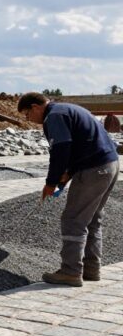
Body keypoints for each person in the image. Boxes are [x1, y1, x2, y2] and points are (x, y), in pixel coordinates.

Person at [18, 92, 119, 286]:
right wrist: (67, 175)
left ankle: (70, 271)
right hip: (110, 165)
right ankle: (91, 269)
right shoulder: (70, 109)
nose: (28, 120)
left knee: (73, 219)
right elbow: (81, 144)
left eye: (27, 115)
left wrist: (51, 182)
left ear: (35, 107)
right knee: (92, 219)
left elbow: (61, 149)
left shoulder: (54, 116)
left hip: (94, 169)